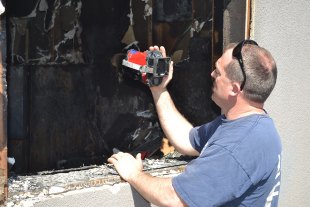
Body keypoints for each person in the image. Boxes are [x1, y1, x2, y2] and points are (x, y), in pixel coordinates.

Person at [108, 40, 282, 207]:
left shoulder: (238, 146)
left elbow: (174, 198)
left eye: (218, 72)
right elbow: (187, 139)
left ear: (235, 89)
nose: (212, 74)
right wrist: (159, 88)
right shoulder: (250, 126)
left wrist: (134, 174)